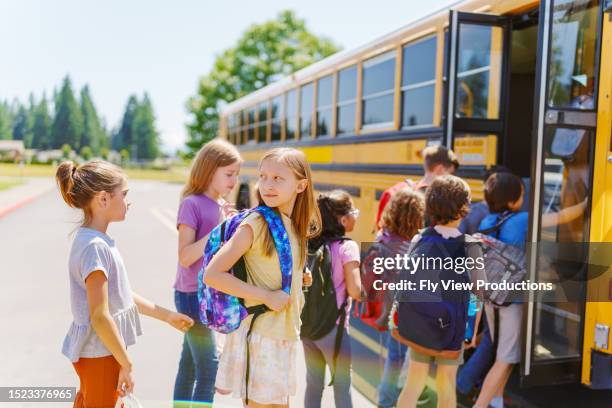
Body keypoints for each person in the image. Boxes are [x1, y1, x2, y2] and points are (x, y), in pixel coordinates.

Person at [56, 160, 194, 408]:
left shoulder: (95, 241)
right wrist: (126, 363)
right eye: (125, 194)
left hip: (103, 353)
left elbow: (120, 294)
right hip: (100, 355)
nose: (128, 201)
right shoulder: (94, 248)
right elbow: (100, 316)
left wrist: (168, 316)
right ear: (104, 199)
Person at [204, 148, 322, 408]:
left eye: (278, 178)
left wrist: (298, 279)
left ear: (301, 185)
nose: (267, 185)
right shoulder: (256, 224)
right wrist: (267, 296)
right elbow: (213, 274)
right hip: (260, 336)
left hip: (282, 334)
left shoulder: (294, 225)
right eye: (263, 176)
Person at [396, 175, 484, 408]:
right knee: (446, 384)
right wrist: (471, 332)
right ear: (464, 208)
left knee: (414, 383)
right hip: (454, 328)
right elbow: (477, 294)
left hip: (421, 323)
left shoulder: (420, 238)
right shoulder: (471, 245)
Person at [173, 139, 241, 407]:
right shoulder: (192, 204)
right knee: (208, 368)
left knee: (189, 364)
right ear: (209, 169)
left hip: (209, 295)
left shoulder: (220, 205)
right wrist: (220, 230)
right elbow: (185, 255)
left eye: (236, 174)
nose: (234, 180)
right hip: (191, 295)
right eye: (229, 174)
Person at [302, 190, 362, 408]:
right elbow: (355, 290)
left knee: (313, 384)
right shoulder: (348, 247)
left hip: (308, 327)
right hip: (333, 329)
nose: (356, 216)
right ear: (343, 219)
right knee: (342, 385)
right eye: (354, 212)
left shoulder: (310, 244)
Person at [474, 172, 527, 408]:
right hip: (512, 301)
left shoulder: (488, 221)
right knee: (505, 359)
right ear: (513, 199)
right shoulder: (523, 220)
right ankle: (481, 404)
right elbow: (561, 217)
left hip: (491, 298)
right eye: (523, 194)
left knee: (502, 354)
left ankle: (496, 402)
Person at [375, 188, 424, 408]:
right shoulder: (416, 244)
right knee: (404, 360)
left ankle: (386, 400)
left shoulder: (383, 237)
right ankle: (392, 401)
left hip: (390, 304)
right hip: (410, 310)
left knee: (393, 358)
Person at [375, 144, 459, 230]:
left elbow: (381, 228)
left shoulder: (396, 191)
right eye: (451, 173)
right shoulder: (440, 203)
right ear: (440, 169)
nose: (451, 178)